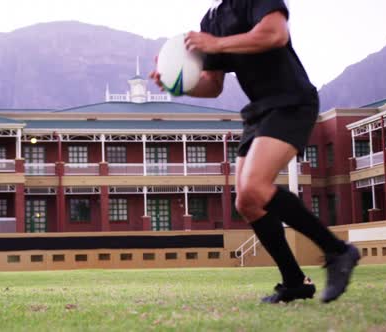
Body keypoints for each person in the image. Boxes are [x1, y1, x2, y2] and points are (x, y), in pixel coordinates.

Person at [150, 0, 360, 303]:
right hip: (259, 112)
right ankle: (294, 282)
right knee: (248, 201)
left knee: (256, 188)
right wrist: (176, 85)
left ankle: (339, 251)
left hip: (291, 101)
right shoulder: (213, 18)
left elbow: (275, 34)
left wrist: (216, 43)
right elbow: (212, 85)